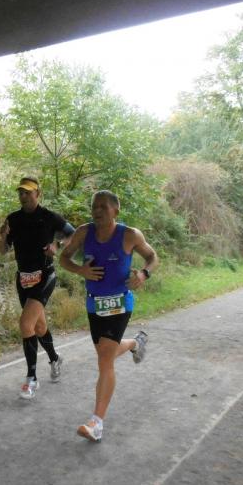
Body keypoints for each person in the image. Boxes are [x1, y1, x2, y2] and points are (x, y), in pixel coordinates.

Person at [59, 190, 159, 443]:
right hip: (95, 304)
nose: (97, 210)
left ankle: (97, 423)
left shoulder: (130, 235)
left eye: (103, 206)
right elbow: (63, 258)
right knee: (107, 353)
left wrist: (143, 274)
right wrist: (80, 270)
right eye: (94, 206)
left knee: (105, 358)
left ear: (116, 210)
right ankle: (135, 343)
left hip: (120, 303)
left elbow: (152, 257)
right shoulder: (84, 232)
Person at [0, 176, 75, 400]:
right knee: (38, 326)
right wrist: (2, 236)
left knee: (25, 323)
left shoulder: (49, 217)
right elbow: (3, 250)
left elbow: (74, 234)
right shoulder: (13, 219)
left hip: (45, 276)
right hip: (23, 279)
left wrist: (57, 244)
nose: (23, 196)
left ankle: (32, 378)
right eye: (20, 193)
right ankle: (55, 359)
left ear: (38, 194)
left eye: (28, 192)